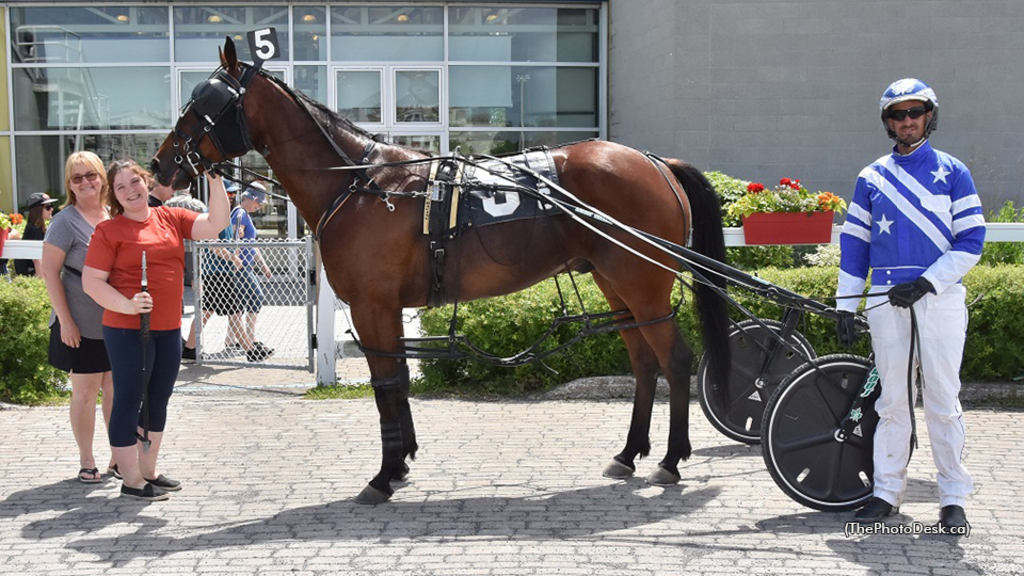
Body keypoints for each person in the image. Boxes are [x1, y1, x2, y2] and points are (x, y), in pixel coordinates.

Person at [835, 79, 986, 533]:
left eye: (915, 111)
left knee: (942, 400)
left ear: (929, 116)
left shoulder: (954, 171)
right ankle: (886, 493)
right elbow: (855, 246)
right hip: (886, 303)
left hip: (937, 302)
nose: (907, 120)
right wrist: (847, 304)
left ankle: (953, 498)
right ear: (888, 122)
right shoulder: (871, 177)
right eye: (898, 114)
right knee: (893, 402)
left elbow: (972, 240)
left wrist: (926, 282)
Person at [82, 160, 229, 501]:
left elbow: (216, 223)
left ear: (146, 182)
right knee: (129, 399)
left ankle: (148, 470)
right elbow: (92, 282)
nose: (131, 190)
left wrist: (215, 181)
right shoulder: (109, 231)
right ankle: (131, 479)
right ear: (114, 195)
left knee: (158, 398)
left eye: (135, 182)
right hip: (126, 330)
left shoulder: (170, 217)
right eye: (121, 187)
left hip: (168, 328)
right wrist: (128, 305)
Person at [39, 152, 115, 484]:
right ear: (69, 185)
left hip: (116, 324)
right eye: (76, 178)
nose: (85, 182)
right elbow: (50, 274)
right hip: (80, 326)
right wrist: (66, 321)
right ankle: (87, 460)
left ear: (102, 178)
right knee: (85, 393)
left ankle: (119, 456)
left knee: (115, 390)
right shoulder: (65, 221)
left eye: (90, 175)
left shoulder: (115, 215)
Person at [227, 182, 274, 363]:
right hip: (240, 266)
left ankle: (232, 339)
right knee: (255, 296)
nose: (259, 206)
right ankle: (251, 338)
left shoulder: (245, 214)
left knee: (236, 304)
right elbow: (234, 240)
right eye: (258, 203)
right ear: (252, 198)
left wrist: (263, 265)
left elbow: (251, 243)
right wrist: (235, 260)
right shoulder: (239, 213)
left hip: (245, 264)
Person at [14, 192, 58, 276]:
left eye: (51, 206)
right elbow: (36, 259)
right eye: (48, 207)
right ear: (38, 210)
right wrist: (42, 282)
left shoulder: (37, 227)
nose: (52, 209)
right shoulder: (35, 229)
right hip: (33, 274)